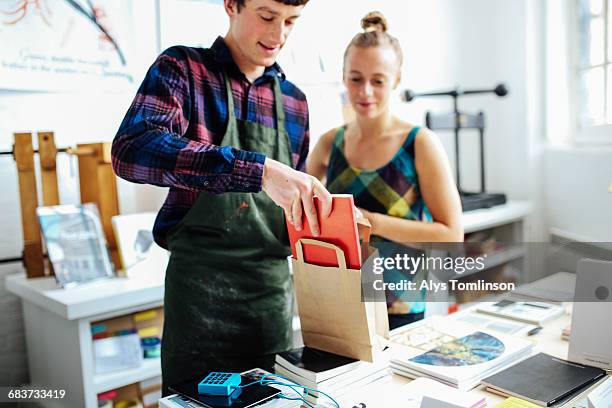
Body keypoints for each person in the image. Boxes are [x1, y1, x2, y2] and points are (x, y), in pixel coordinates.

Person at [111, 0, 332, 394]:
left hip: (270, 304)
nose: (278, 34)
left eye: (291, 21)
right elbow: (131, 150)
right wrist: (258, 170)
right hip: (199, 300)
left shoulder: (296, 102)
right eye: (266, 16)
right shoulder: (183, 70)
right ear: (231, 4)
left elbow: (291, 215)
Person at [307, 11, 463, 330]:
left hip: (400, 309)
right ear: (344, 76)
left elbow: (451, 235)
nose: (365, 92)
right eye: (355, 78)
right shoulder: (329, 144)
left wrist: (372, 222)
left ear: (397, 80)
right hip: (340, 305)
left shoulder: (420, 144)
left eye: (377, 81)